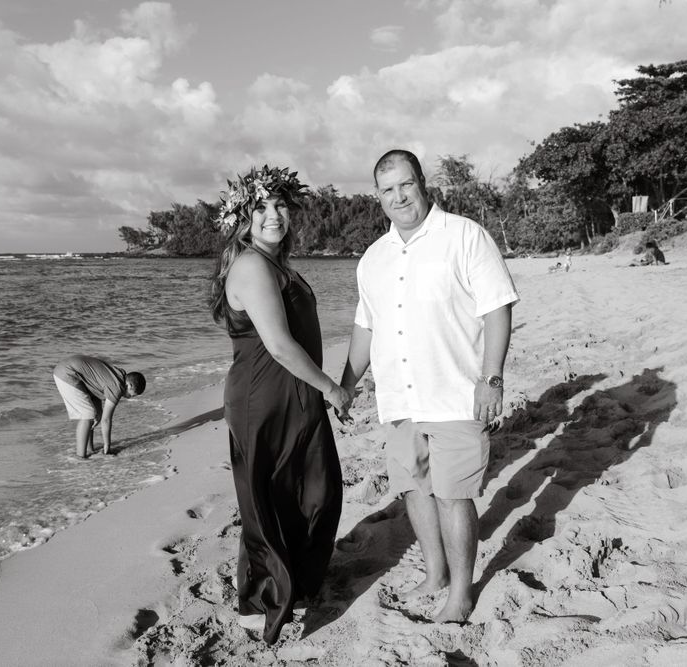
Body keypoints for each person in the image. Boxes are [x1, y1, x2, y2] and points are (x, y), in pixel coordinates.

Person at [337, 149, 519, 623]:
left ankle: (461, 594)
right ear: (378, 197)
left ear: (422, 183)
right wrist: (346, 384)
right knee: (415, 490)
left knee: (454, 494)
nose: (399, 197)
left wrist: (492, 379)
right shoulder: (373, 258)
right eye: (387, 189)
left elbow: (497, 308)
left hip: (455, 390)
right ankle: (435, 573)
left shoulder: (464, 235)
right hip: (398, 397)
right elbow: (365, 328)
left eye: (405, 185)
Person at [209, 165, 350, 644]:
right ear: (242, 218)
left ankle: (297, 585)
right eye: (262, 208)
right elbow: (279, 345)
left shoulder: (276, 264)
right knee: (266, 501)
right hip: (263, 398)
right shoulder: (251, 264)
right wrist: (332, 387)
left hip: (294, 393)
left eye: (281, 206)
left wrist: (317, 390)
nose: (274, 216)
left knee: (317, 492)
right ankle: (258, 603)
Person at [52, 354, 146, 458]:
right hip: (67, 373)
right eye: (132, 395)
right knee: (87, 415)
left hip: (67, 368)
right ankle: (80, 458)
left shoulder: (117, 376)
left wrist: (98, 413)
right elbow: (106, 420)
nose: (130, 397)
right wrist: (107, 446)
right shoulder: (117, 387)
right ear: (130, 385)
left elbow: (95, 388)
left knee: (93, 415)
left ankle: (90, 449)